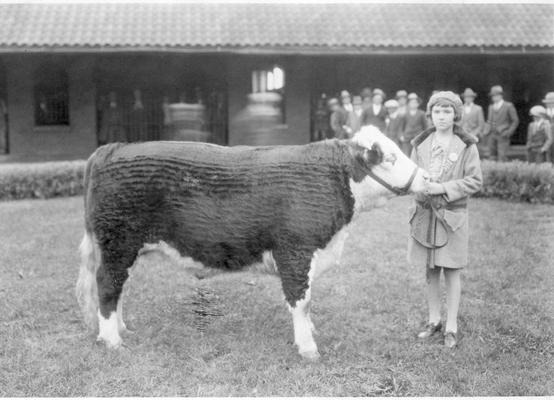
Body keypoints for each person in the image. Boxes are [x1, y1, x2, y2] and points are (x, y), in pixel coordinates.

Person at [407, 91, 482, 349]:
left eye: (447, 111)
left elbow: (475, 180)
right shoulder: (420, 143)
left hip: (452, 217)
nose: (441, 117)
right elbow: (412, 177)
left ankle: (451, 326)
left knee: (451, 271)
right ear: (431, 114)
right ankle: (433, 320)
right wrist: (421, 187)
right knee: (430, 270)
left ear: (455, 115)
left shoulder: (467, 145)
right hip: (426, 216)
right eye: (437, 111)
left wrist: (444, 188)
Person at [484, 85, 519, 162]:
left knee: (502, 156)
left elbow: (515, 121)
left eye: (496, 95)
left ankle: (502, 173)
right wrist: (486, 132)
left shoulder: (508, 106)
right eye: (492, 96)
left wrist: (509, 132)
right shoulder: (491, 107)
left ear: (500, 95)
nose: (494, 97)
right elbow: (489, 121)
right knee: (492, 156)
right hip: (492, 135)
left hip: (503, 135)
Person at [460, 88, 486, 155]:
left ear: (473, 98)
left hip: (474, 135)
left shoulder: (478, 109)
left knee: (474, 153)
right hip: (463, 135)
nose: (468, 99)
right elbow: (458, 123)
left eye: (470, 97)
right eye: (466, 97)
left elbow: (481, 124)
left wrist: (473, 133)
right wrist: (462, 132)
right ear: (464, 98)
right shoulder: (460, 108)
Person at [542, 92, 554, 162]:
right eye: (548, 103)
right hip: (546, 140)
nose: (549, 104)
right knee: (547, 159)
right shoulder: (543, 113)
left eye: (551, 102)